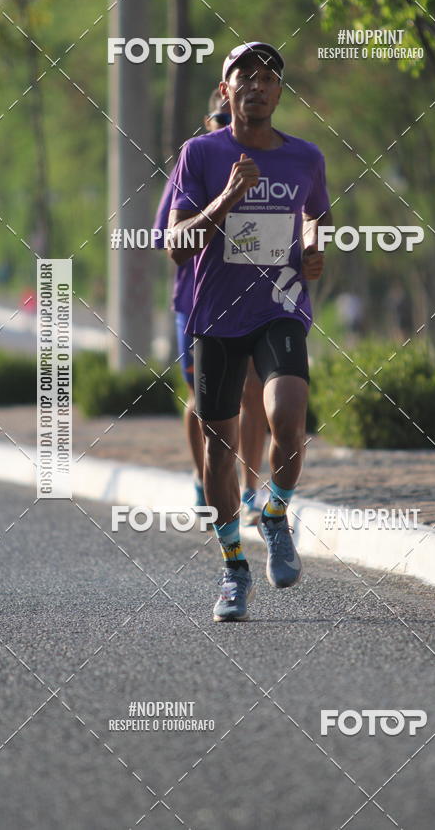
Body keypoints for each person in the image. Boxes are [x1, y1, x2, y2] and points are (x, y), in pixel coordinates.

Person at [168, 41, 332, 622]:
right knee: (221, 450)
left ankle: (277, 513)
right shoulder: (201, 153)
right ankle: (234, 565)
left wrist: (312, 247)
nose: (258, 85)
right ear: (225, 89)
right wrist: (229, 197)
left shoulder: (305, 157)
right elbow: (175, 243)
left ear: (280, 93)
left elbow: (316, 214)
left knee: (289, 417)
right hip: (216, 316)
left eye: (269, 78)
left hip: (280, 306)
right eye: (246, 76)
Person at [154, 90, 268, 520]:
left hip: (252, 298)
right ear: (209, 121)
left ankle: (250, 487)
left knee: (253, 390)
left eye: (232, 117)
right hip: (197, 301)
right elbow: (168, 237)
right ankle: (204, 480)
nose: (226, 124)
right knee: (202, 401)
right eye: (220, 117)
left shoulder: (264, 165)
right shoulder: (195, 163)